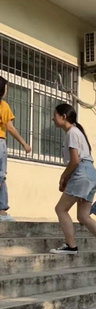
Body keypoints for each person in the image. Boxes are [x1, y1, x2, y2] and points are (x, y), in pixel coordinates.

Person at [50, 103, 96, 264]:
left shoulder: (72, 133)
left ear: (63, 116)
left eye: (55, 115)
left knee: (61, 209)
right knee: (83, 216)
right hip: (90, 174)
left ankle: (71, 246)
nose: (53, 118)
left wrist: (63, 177)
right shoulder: (76, 132)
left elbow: (75, 161)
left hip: (82, 174)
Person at [0, 76, 32, 221]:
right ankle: (1, 211)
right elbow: (10, 128)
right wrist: (24, 143)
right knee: (1, 176)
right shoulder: (3, 106)